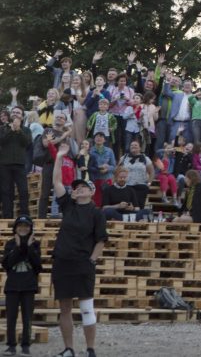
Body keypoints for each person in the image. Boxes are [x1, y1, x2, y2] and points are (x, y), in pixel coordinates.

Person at [50, 143, 107, 357]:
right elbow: (56, 181)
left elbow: (101, 239)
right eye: (76, 187)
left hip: (83, 264)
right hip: (63, 262)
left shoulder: (96, 213)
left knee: (86, 309)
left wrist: (92, 260)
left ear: (91, 191)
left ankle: (90, 349)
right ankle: (69, 349)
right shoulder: (68, 206)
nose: (78, 188)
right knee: (64, 308)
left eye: (82, 186)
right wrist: (60, 157)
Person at [3, 215, 42, 356]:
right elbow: (7, 264)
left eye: (26, 226)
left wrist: (29, 247)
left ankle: (26, 345)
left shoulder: (35, 244)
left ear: (31, 228)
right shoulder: (10, 244)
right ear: (15, 228)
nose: (23, 228)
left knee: (27, 318)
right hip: (12, 286)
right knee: (11, 317)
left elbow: (38, 265)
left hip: (29, 286)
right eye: (20, 225)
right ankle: (11, 346)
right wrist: (19, 247)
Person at [0, 107, 32, 219]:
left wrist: (18, 130)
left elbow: (27, 143)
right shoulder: (3, 128)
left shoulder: (26, 130)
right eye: (13, 112)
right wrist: (11, 130)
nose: (15, 114)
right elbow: (2, 141)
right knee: (6, 192)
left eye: (18, 113)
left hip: (20, 164)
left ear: (22, 116)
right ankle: (7, 218)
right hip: (4, 164)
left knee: (23, 191)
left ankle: (24, 217)